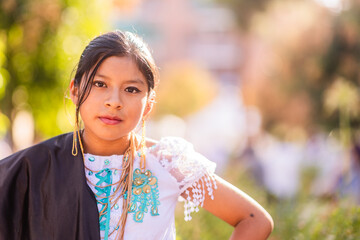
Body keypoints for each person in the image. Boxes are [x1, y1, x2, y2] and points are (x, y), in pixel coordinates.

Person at [0, 30, 273, 240]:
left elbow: (254, 220)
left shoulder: (168, 163)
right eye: (99, 84)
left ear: (149, 104)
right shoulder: (34, 167)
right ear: (74, 90)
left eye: (131, 89)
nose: (114, 101)